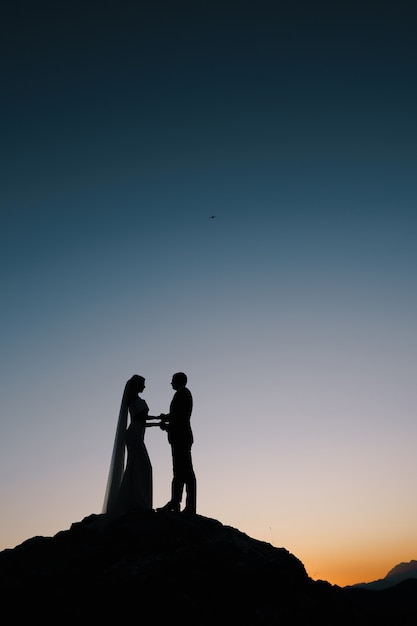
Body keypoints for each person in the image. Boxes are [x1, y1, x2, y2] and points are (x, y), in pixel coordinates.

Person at [102, 375, 160, 516]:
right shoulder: (134, 400)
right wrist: (160, 418)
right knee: (144, 466)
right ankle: (138, 502)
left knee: (136, 467)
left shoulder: (135, 399)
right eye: (143, 384)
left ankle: (134, 501)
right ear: (137, 385)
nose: (144, 387)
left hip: (136, 435)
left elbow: (142, 421)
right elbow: (141, 418)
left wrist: (159, 423)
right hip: (134, 436)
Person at [157, 372, 196, 515]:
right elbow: (177, 415)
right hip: (179, 437)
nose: (170, 383)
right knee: (179, 471)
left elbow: (179, 417)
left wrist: (166, 426)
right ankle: (176, 502)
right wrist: (165, 418)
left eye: (172, 380)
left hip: (181, 437)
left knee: (186, 472)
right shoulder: (183, 393)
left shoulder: (182, 394)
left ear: (178, 381)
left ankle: (187, 505)